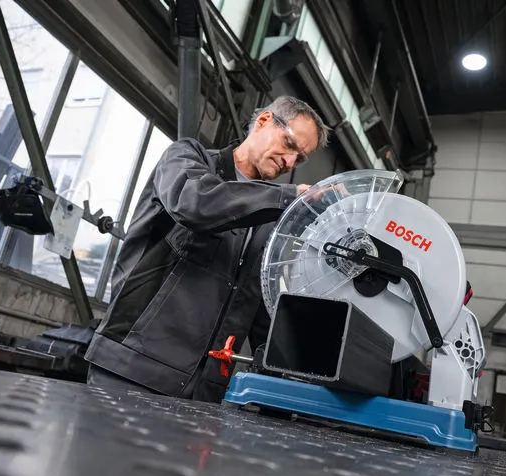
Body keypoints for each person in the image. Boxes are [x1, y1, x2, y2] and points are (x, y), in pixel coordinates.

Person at [83, 95, 330, 401]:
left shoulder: (271, 220)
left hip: (205, 391)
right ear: (265, 121)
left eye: (300, 159)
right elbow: (194, 203)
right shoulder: (187, 158)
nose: (290, 163)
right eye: (290, 145)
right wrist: (284, 198)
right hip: (132, 369)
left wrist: (291, 381)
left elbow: (260, 302)